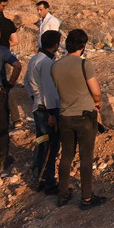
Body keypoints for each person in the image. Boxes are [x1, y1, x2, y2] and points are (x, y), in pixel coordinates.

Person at [50, 29, 107, 209]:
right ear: (83, 46)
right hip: (84, 117)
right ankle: (86, 198)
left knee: (66, 155)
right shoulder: (85, 65)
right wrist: (97, 102)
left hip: (65, 117)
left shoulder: (56, 66)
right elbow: (96, 91)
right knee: (86, 157)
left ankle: (63, 194)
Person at [23, 30, 62, 193]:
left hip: (38, 106)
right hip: (47, 110)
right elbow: (50, 91)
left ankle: (38, 178)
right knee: (50, 146)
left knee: (42, 143)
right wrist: (53, 114)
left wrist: (35, 98)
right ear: (55, 44)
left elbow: (26, 82)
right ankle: (48, 182)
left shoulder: (35, 58)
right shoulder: (46, 62)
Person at [1, 40, 22, 173]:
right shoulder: (3, 50)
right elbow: (17, 66)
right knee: (2, 126)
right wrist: (10, 84)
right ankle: (2, 161)